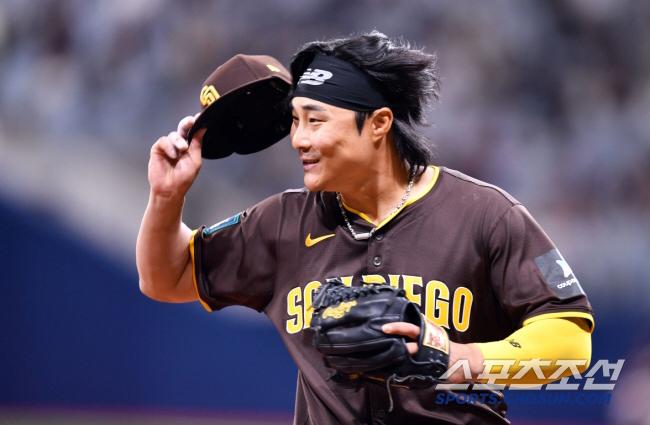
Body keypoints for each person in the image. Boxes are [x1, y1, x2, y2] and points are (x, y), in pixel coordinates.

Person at [136, 31, 594, 424]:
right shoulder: (281, 223)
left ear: (378, 123)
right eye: (295, 120)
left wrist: (453, 357)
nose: (298, 139)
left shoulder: (486, 214)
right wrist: (166, 197)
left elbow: (572, 343)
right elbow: (166, 279)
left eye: (315, 120)